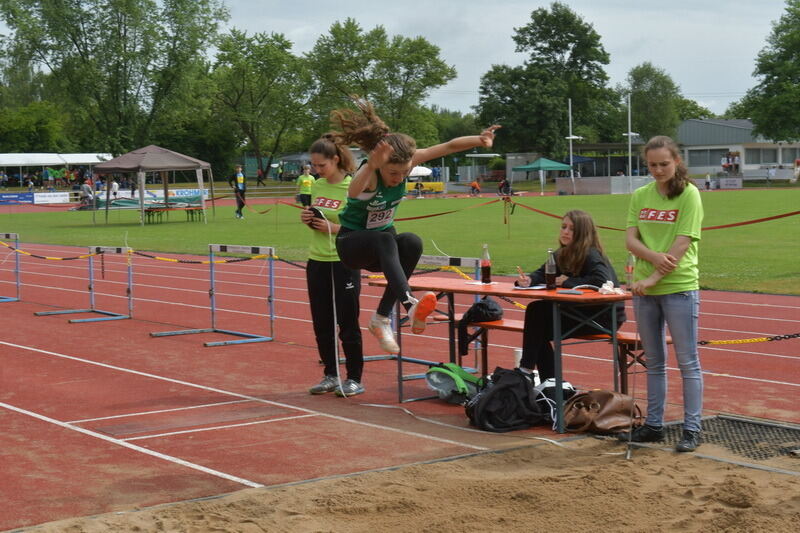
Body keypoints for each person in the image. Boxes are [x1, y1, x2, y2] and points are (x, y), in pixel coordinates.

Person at [332, 99, 501, 354]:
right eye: (393, 174)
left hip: (382, 252)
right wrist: (372, 166)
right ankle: (410, 305)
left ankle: (381, 318)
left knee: (411, 241)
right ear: (380, 166)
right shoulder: (369, 173)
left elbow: (448, 146)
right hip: (352, 246)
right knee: (385, 238)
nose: (399, 178)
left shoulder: (405, 163)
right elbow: (354, 192)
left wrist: (480, 139)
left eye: (404, 172)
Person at [618, 135, 704, 453]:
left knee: (687, 362)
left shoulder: (690, 195)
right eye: (652, 165)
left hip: (678, 288)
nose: (658, 170)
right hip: (645, 288)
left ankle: (691, 428)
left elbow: (682, 243)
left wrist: (655, 275)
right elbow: (630, 239)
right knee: (653, 361)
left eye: (664, 164)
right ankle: (654, 425)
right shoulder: (641, 195)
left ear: (676, 162)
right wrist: (653, 261)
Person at [515, 210, 626, 382]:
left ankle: (527, 371)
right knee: (537, 328)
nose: (565, 232)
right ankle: (550, 384)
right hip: (581, 312)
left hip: (604, 317)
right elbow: (544, 273)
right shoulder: (562, 253)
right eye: (563, 227)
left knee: (537, 313)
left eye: (571, 229)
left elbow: (603, 281)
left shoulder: (591, 254)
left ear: (582, 233)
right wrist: (528, 280)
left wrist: (568, 281)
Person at [301, 135, 365, 397]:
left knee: (347, 322)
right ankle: (330, 374)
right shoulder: (316, 186)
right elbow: (318, 216)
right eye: (314, 166)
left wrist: (334, 228)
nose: (317, 171)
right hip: (316, 260)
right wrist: (308, 218)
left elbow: (362, 229)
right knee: (322, 322)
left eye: (321, 166)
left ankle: (354, 378)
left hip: (344, 262)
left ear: (336, 160)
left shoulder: (354, 187)